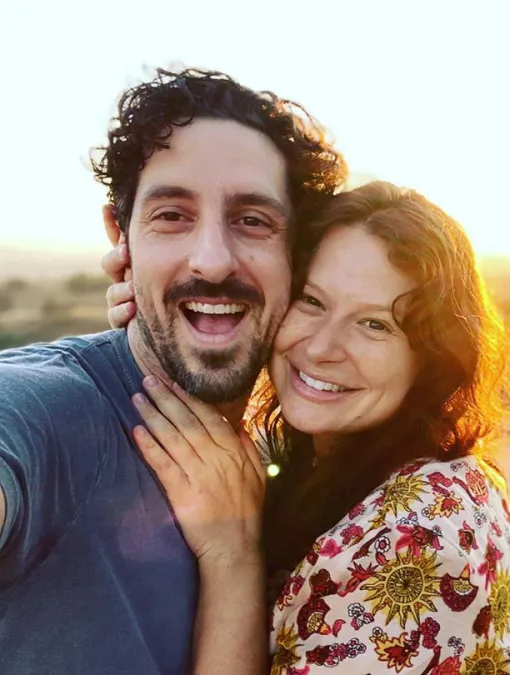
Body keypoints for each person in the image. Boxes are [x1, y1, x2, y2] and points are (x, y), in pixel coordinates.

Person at [106, 181, 510, 673]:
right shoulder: (334, 468)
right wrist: (162, 318)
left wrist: (232, 558)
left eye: (375, 325)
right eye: (312, 302)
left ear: (430, 358)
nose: (322, 348)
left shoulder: (416, 542)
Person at [0, 67, 345, 673]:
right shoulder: (41, 414)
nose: (212, 261)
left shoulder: (283, 462)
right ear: (121, 238)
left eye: (253, 220)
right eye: (171, 216)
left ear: (299, 257)